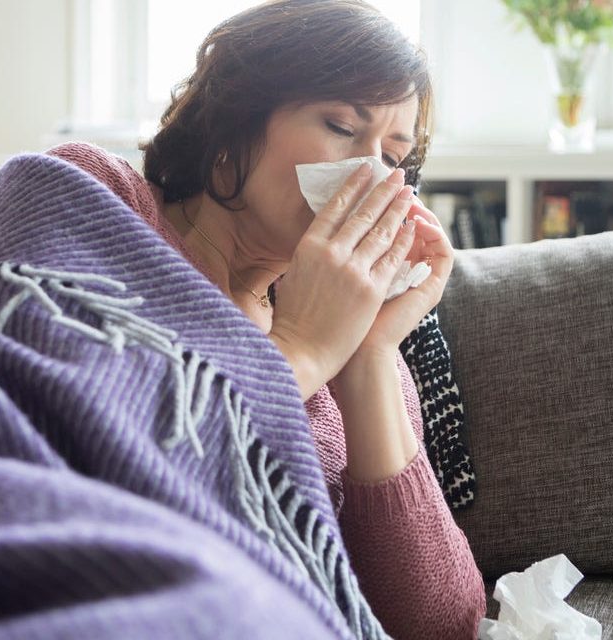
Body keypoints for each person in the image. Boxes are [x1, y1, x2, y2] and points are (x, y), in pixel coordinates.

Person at [47, 1, 486, 638]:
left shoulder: (356, 338)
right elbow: (95, 462)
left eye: (395, 158)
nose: (371, 177)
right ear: (234, 125)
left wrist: (365, 358)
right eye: (341, 124)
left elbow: (441, 624)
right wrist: (302, 351)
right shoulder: (100, 197)